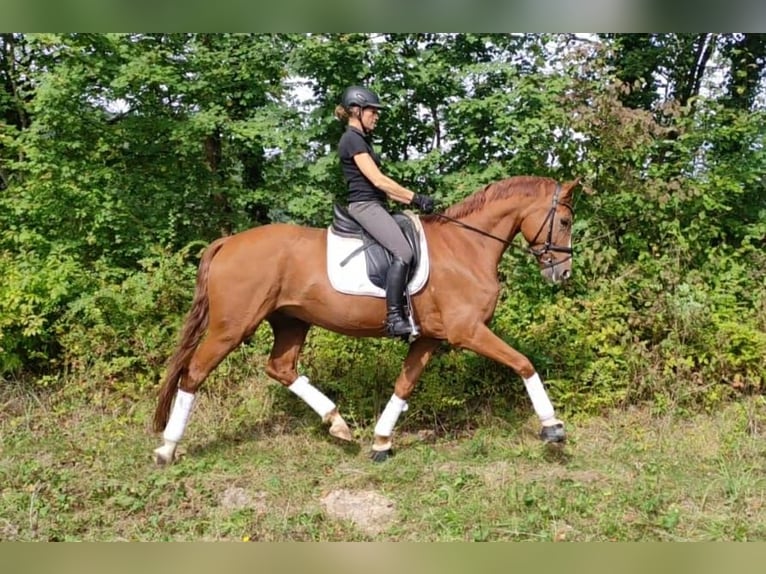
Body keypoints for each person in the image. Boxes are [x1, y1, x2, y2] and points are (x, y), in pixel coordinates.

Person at [335, 85, 436, 339]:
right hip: (364, 206)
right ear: (355, 111)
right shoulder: (352, 139)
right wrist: (416, 197)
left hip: (377, 204)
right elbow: (378, 181)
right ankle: (394, 317)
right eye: (372, 111)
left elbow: (386, 189)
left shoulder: (362, 140)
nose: (376, 115)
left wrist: (414, 202)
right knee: (403, 251)